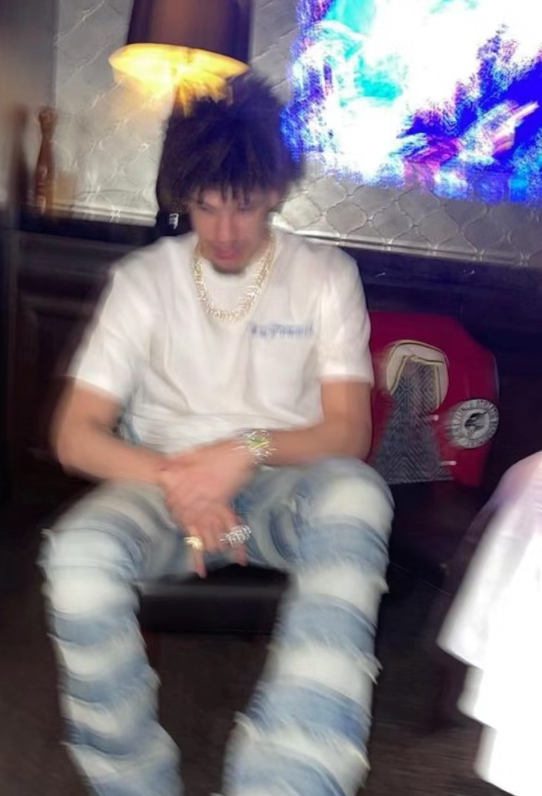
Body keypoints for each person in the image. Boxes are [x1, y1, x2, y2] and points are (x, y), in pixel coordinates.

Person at [40, 74, 394, 796]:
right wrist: (183, 481)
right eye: (206, 206)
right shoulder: (143, 280)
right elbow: (75, 436)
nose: (226, 232)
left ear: (275, 191)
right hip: (162, 490)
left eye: (246, 205)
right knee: (75, 555)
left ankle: (288, 777)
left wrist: (244, 451)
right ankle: (134, 783)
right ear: (185, 196)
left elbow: (348, 430)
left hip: (285, 487)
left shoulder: (327, 276)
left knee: (358, 494)